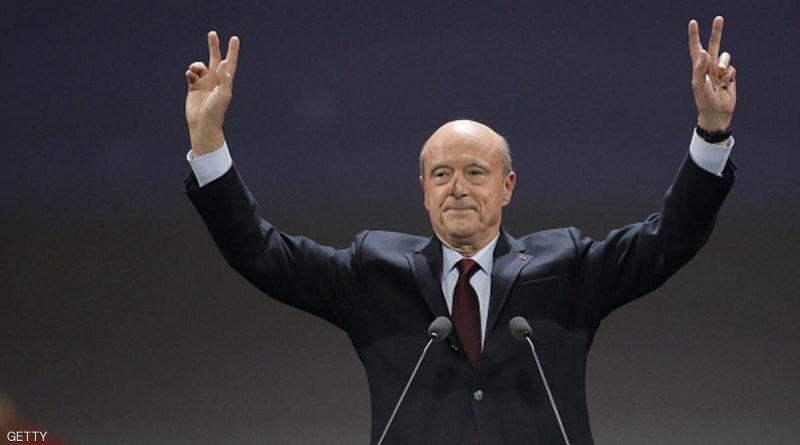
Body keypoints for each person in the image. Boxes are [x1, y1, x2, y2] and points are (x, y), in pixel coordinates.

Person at [182, 16, 736, 445]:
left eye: (475, 172)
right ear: (423, 190)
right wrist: (208, 142)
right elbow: (260, 252)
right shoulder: (374, 272)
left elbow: (670, 239)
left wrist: (711, 133)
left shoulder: (565, 267)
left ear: (507, 187)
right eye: (442, 174)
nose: (458, 188)